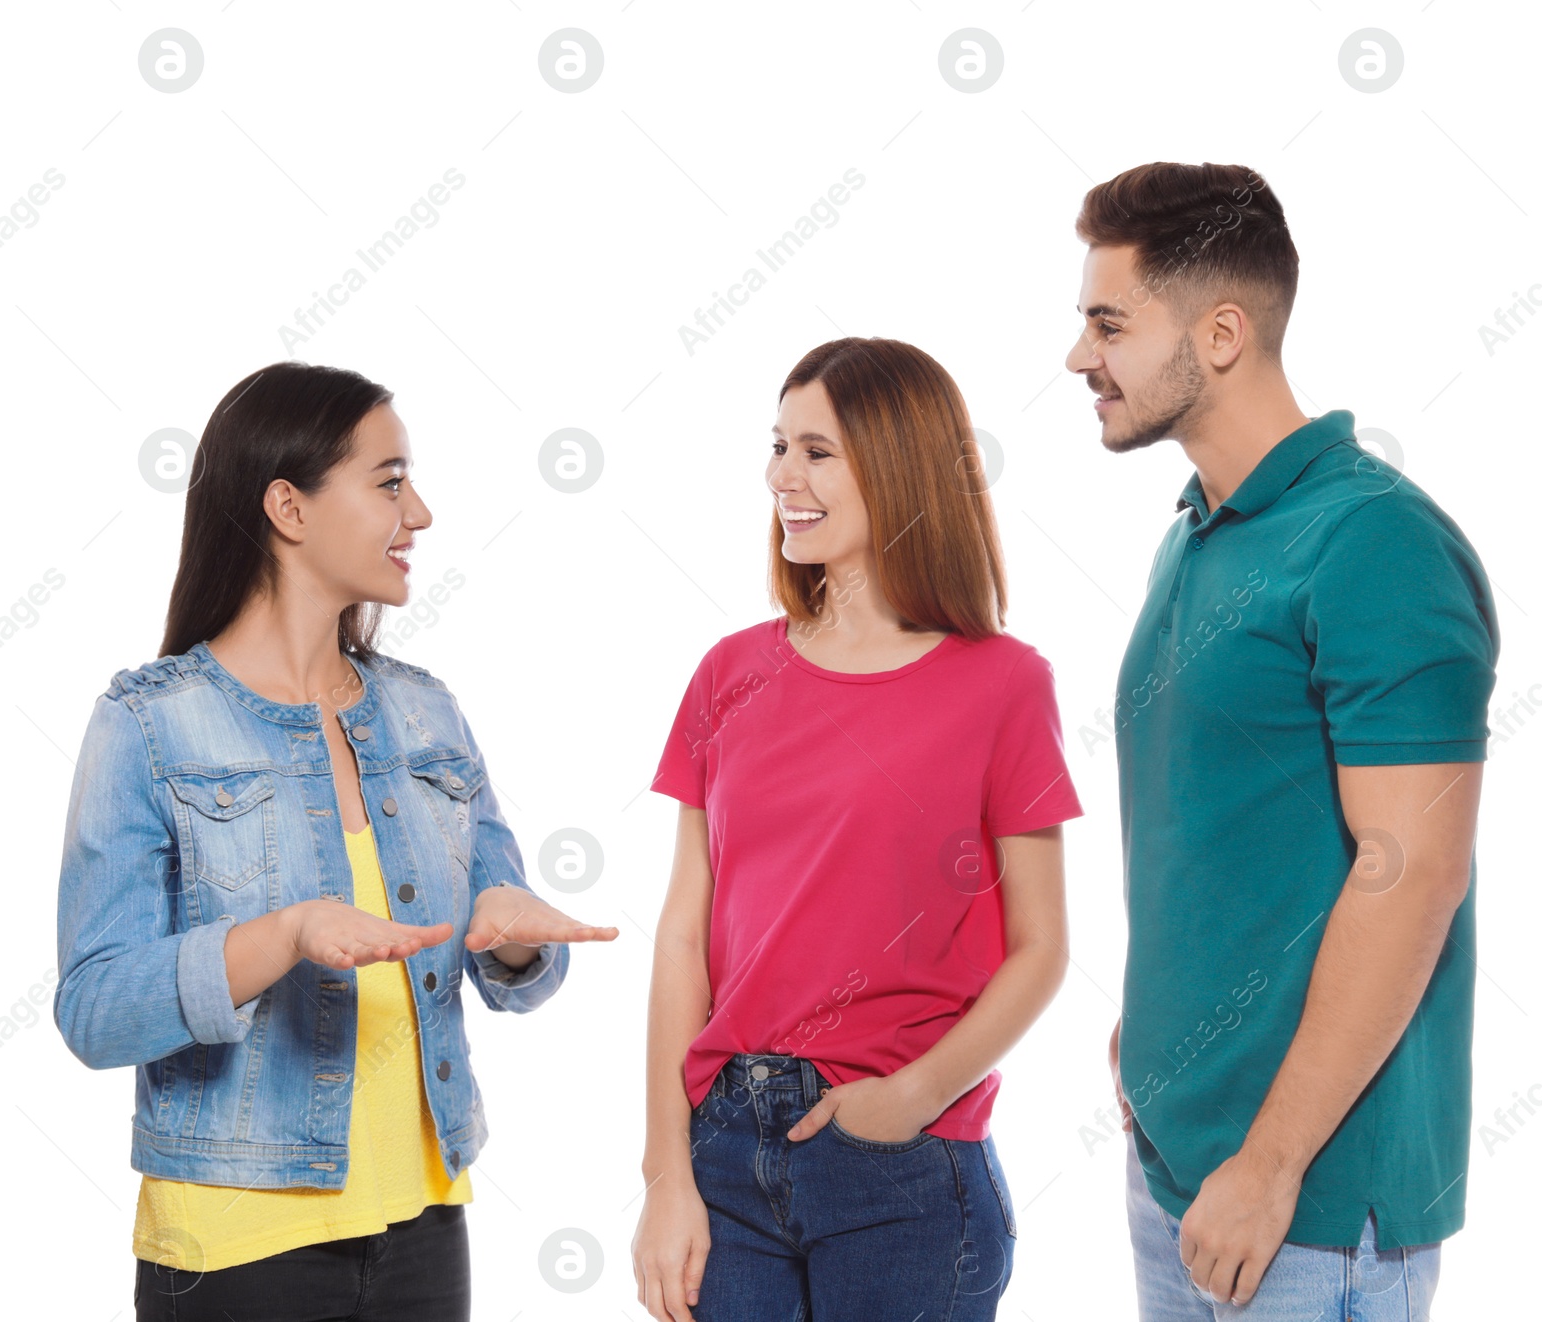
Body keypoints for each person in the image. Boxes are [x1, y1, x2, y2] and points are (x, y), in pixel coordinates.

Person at [53, 361, 619, 1319]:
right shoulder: (149, 724)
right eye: (390, 481)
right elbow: (95, 1010)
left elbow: (508, 965)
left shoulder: (428, 713)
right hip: (236, 1245)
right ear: (289, 506)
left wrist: (513, 930)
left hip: (424, 1233)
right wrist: (279, 939)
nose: (422, 513)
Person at [1065, 162, 1498, 1319]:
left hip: (1299, 1204)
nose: (1077, 356)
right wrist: (1159, 1022)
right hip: (1178, 1168)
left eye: (1107, 322)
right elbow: (1226, 824)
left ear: (1219, 333)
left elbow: (1409, 876)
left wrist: (1266, 1162)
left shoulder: (1373, 545)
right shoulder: (1198, 535)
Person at [630, 337, 1084, 1320]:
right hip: (725, 1151)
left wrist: (911, 1096)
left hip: (904, 1169)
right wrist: (666, 1171)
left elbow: (1042, 948)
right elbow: (681, 932)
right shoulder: (729, 672)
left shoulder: (1003, 683)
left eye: (815, 451)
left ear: (898, 463)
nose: (779, 476)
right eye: (777, 446)